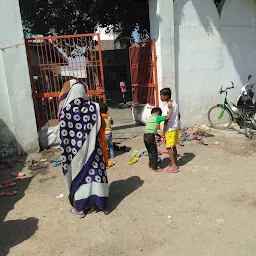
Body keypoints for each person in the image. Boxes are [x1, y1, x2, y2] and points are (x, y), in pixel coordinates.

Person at [58, 79, 109, 218]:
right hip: (93, 151)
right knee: (95, 176)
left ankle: (80, 209)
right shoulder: (94, 107)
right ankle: (99, 203)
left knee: (80, 178)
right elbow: (102, 125)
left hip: (75, 155)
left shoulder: (65, 111)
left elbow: (63, 136)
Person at [144, 107, 170, 172]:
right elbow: (167, 118)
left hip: (145, 136)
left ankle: (151, 164)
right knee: (154, 152)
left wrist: (159, 135)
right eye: (159, 114)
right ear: (157, 113)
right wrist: (170, 110)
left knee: (150, 151)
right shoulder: (157, 117)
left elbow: (152, 130)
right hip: (150, 137)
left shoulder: (150, 118)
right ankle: (155, 168)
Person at [160, 88, 180, 173]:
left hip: (170, 129)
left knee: (168, 147)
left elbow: (166, 120)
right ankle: (174, 162)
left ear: (166, 96)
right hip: (175, 128)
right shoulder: (175, 104)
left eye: (161, 96)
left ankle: (174, 166)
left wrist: (163, 131)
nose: (160, 97)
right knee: (174, 146)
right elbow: (179, 115)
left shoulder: (166, 107)